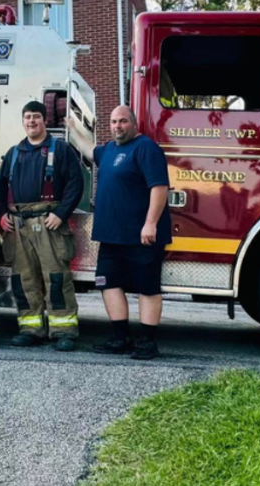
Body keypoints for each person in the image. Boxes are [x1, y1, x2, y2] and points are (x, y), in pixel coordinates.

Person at [0, 101, 84, 351]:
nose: (31, 121)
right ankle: (31, 329)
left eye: (36, 116)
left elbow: (75, 185)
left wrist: (61, 213)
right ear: (22, 121)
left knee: (56, 278)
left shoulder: (61, 149)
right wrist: (2, 214)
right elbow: (0, 189)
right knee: (24, 280)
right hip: (19, 226)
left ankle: (63, 331)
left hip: (50, 224)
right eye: (27, 117)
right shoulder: (14, 153)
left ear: (45, 120)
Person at [90, 106, 171, 360]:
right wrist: (70, 125)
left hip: (140, 235)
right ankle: (120, 338)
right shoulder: (108, 151)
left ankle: (147, 343)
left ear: (134, 123)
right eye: (113, 121)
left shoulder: (146, 148)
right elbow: (87, 149)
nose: (117, 126)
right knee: (109, 284)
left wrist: (150, 223)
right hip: (110, 235)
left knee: (147, 288)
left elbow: (159, 187)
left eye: (122, 121)